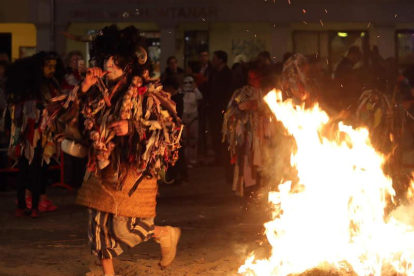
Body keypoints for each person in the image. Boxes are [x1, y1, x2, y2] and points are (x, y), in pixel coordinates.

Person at [50, 25, 182, 275]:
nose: (109, 64)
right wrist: (86, 86)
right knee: (96, 223)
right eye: (106, 59)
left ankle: (164, 234)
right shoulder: (95, 88)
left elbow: (170, 127)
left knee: (123, 228)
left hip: (131, 168)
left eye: (115, 60)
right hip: (99, 165)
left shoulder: (146, 92)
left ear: (128, 65)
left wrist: (132, 126)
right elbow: (70, 119)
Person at [6, 51, 62, 217]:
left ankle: (33, 204)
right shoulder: (28, 88)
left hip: (43, 132)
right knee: (28, 168)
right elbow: (16, 112)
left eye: (54, 66)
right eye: (48, 66)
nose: (52, 69)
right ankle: (27, 204)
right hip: (29, 133)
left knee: (38, 167)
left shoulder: (51, 84)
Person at [222, 70, 272, 209]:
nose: (254, 79)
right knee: (248, 165)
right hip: (247, 135)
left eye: (257, 76)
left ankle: (261, 196)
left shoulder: (267, 92)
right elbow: (234, 110)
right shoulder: (242, 92)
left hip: (263, 135)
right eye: (251, 77)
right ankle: (248, 197)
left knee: (263, 166)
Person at [206, 51, 233, 170]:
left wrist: (224, 107)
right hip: (213, 109)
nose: (213, 61)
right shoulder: (213, 73)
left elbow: (228, 92)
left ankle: (224, 159)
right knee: (215, 134)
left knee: (222, 135)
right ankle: (218, 158)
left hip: (222, 109)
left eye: (215, 59)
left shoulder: (227, 74)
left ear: (221, 60)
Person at [180, 75, 203, 167]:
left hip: (193, 117)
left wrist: (195, 88)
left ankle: (192, 160)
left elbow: (200, 97)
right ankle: (185, 160)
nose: (188, 85)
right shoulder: (181, 92)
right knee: (184, 141)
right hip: (184, 118)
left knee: (193, 141)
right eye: (186, 83)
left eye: (190, 83)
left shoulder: (196, 93)